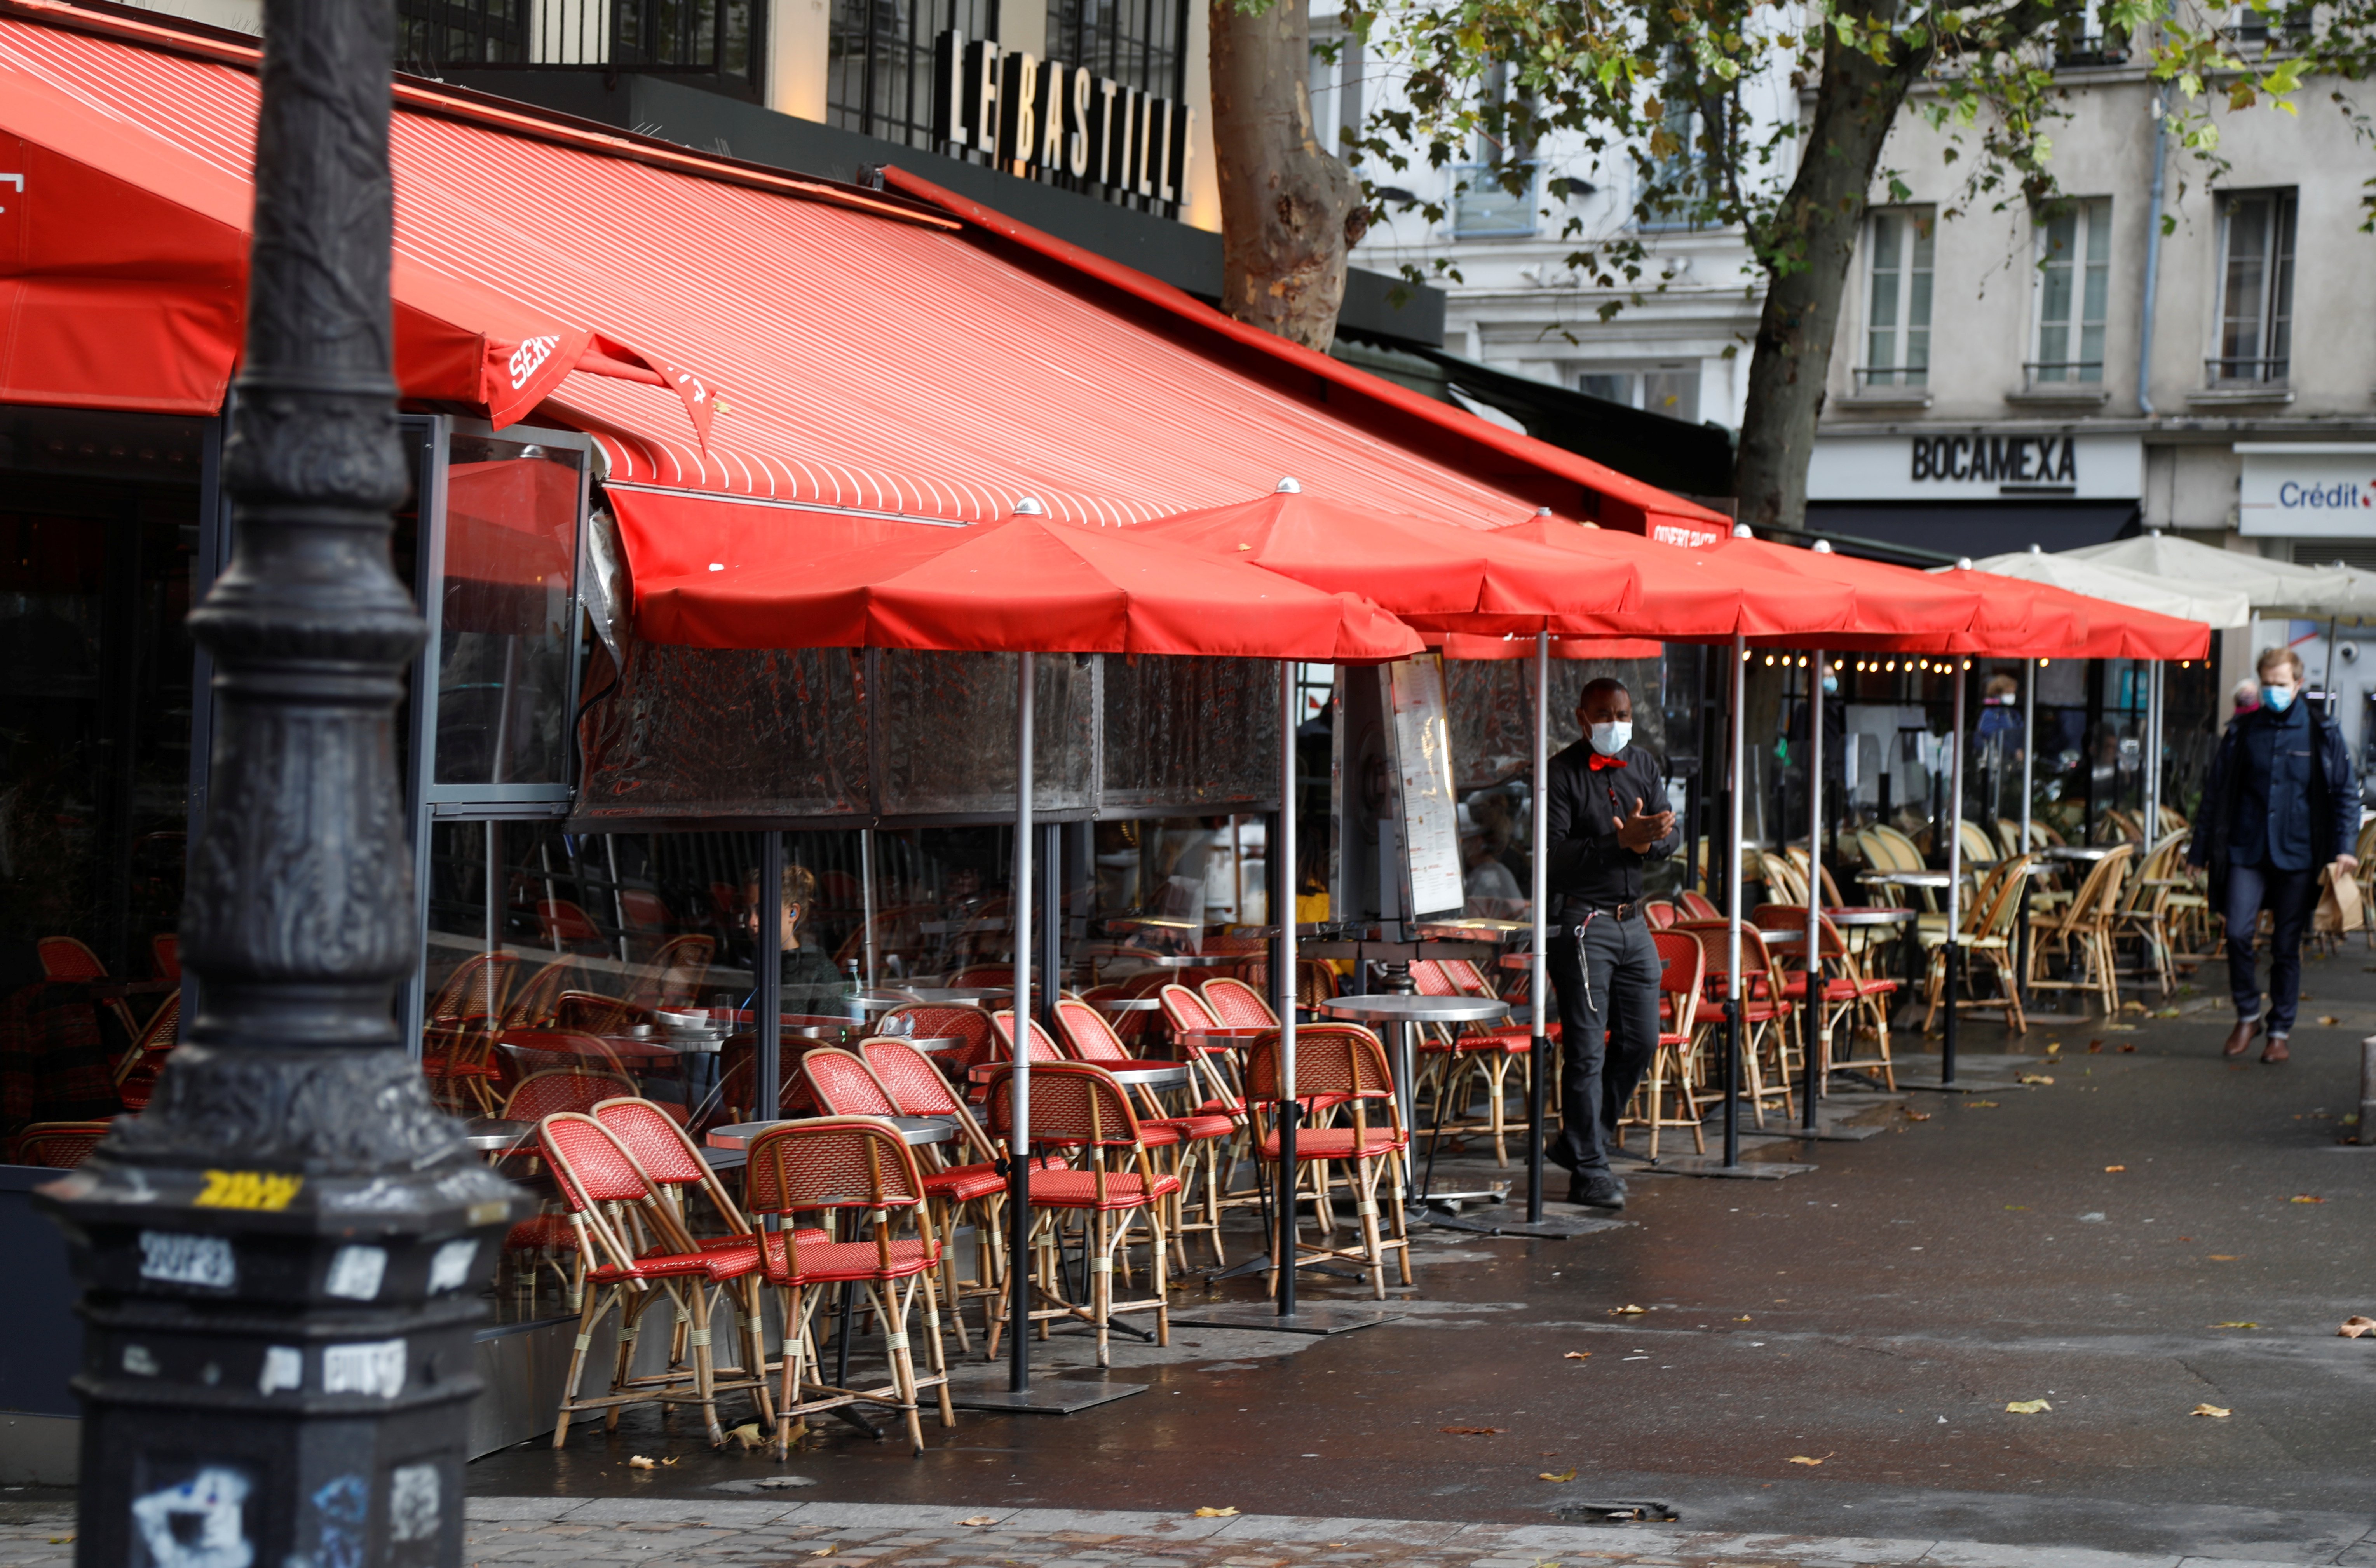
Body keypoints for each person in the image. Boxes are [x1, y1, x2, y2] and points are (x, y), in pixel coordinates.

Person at [1541, 676, 1679, 1210]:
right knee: (1584, 1051)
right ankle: (1590, 1172)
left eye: (1622, 714)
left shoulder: (1643, 764)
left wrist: (1658, 835)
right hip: (1582, 923)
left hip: (1633, 921)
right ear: (1582, 719)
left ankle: (1582, 1141)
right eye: (1604, 715)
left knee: (1642, 1039)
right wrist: (1614, 842)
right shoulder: (1560, 773)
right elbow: (1551, 858)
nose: (1615, 724)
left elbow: (1670, 835)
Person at [2190, 648, 2358, 1064]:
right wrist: (2198, 849)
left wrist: (2345, 848)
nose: (2272, 691)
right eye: (2266, 684)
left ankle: (2279, 1030)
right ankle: (2248, 1013)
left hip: (2299, 853)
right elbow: (2215, 793)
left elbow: (2344, 795)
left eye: (2280, 684)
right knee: (2236, 933)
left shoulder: (2323, 731)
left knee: (2286, 945)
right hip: (2247, 849)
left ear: (2298, 684)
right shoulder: (2243, 731)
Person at [743, 862, 845, 1017]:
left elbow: (828, 1036)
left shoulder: (819, 972)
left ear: (793, 912)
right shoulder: (749, 968)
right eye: (746, 913)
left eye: (761, 911)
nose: (752, 922)